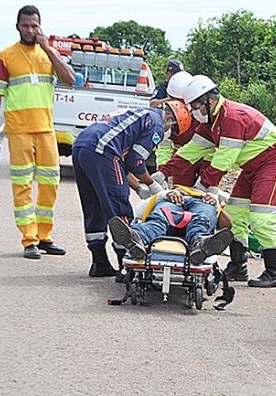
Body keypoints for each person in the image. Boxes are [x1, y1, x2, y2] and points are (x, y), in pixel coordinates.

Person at [155, 75, 276, 288]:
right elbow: (191, 151)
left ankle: (274, 272)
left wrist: (198, 189)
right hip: (251, 167)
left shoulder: (232, 118)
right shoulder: (210, 122)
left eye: (195, 106)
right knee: (236, 214)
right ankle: (238, 266)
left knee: (261, 218)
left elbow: (223, 161)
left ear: (210, 101)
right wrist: (163, 172)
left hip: (274, 160)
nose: (192, 112)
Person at [0, 5, 75, 260]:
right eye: (25, 25)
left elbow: (70, 79)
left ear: (40, 26)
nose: (30, 30)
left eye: (34, 25)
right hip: (19, 130)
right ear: (17, 27)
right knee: (22, 185)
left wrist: (48, 48)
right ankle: (29, 239)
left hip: (45, 129)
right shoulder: (5, 56)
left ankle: (44, 236)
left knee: (50, 184)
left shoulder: (49, 54)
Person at [72, 101, 192, 277]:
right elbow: (135, 161)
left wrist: (138, 188)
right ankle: (127, 265)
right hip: (103, 149)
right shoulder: (157, 123)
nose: (169, 135)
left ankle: (99, 261)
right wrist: (152, 185)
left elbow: (123, 164)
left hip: (83, 144)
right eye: (172, 131)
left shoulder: (140, 114)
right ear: (170, 119)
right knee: (119, 206)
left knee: (94, 205)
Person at [108, 186, 233, 265]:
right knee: (158, 221)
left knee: (200, 222)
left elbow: (227, 226)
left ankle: (202, 245)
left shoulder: (210, 198)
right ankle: (135, 238)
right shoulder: (167, 195)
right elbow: (136, 213)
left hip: (202, 203)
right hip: (170, 205)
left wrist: (216, 205)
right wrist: (165, 194)